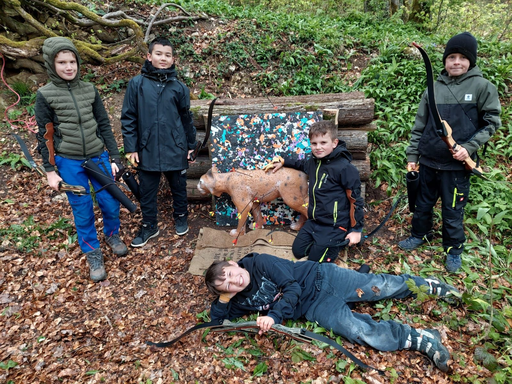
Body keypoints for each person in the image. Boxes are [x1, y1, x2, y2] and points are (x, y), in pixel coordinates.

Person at [205, 253, 460, 372]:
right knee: (356, 331)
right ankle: (420, 338)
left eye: (230, 274)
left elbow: (291, 287)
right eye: (226, 285)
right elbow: (217, 320)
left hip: (323, 278)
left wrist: (273, 316)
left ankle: (428, 286)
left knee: (378, 287)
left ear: (233, 263)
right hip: (314, 307)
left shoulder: (260, 263)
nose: (233, 281)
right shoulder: (237, 300)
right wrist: (225, 297)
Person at [399, 32, 501, 273]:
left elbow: (492, 123)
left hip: (457, 165)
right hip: (429, 161)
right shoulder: (433, 88)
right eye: (451, 57)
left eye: (462, 57)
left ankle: (453, 248)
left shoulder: (482, 87)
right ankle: (419, 234)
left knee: (453, 209)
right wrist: (413, 157)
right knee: (422, 204)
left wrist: (468, 149)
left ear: (471, 61)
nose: (456, 62)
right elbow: (419, 126)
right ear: (445, 60)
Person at [35, 37, 128, 282]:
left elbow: (104, 125)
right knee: (83, 208)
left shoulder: (89, 89)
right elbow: (45, 134)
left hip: (98, 156)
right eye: (62, 62)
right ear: (51, 64)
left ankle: (112, 234)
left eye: (72, 61)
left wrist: (115, 156)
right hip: (69, 161)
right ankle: (92, 251)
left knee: (110, 201)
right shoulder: (45, 95)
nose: (69, 67)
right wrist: (50, 170)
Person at [121, 37, 196, 247]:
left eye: (168, 55)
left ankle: (181, 216)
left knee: (179, 187)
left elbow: (186, 118)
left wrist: (191, 146)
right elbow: (129, 117)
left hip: (175, 147)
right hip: (147, 149)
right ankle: (149, 225)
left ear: (173, 60)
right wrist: (131, 148)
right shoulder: (137, 84)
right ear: (149, 56)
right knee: (147, 190)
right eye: (159, 54)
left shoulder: (179, 87)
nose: (163, 58)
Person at [265, 120, 364, 263]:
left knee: (314, 262)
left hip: (335, 225)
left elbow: (356, 200)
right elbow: (302, 164)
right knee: (298, 252)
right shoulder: (314, 162)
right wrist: (284, 162)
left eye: (323, 143)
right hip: (315, 221)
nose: (318, 147)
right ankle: (322, 244)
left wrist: (356, 230)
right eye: (314, 143)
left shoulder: (345, 168)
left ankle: (335, 243)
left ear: (334, 143)